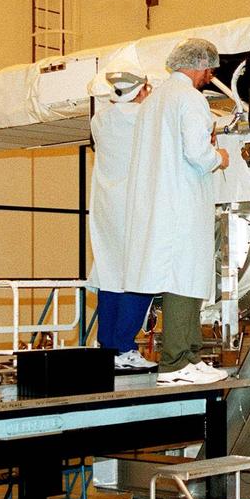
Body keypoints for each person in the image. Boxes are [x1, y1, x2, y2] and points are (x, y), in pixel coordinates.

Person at [122, 38, 231, 385]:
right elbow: (198, 155)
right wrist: (221, 158)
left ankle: (188, 356)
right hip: (182, 204)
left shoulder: (154, 101)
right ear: (200, 65)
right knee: (185, 279)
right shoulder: (190, 99)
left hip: (160, 203)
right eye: (209, 69)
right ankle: (177, 362)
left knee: (178, 278)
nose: (209, 75)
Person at [87, 71, 157, 370]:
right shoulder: (146, 117)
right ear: (142, 90)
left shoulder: (100, 119)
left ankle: (110, 347)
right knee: (140, 275)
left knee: (110, 275)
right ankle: (125, 346)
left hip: (106, 208)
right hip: (136, 208)